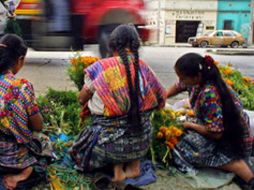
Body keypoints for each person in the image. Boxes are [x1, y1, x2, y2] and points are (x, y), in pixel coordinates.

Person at [70, 24, 166, 182]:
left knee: (79, 148)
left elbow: (81, 99)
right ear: (136, 45)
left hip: (108, 149)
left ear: (112, 44)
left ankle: (117, 170)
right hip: (142, 144)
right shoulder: (144, 67)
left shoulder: (101, 68)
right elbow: (162, 99)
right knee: (133, 124)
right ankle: (134, 167)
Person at [167, 53, 254, 188]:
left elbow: (216, 133)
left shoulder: (210, 93)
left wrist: (189, 125)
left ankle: (237, 167)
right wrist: (163, 97)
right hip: (225, 131)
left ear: (197, 76)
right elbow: (179, 86)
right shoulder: (201, 79)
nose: (180, 80)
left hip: (232, 141)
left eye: (183, 77)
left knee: (184, 148)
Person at [0, 34, 54, 190]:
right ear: (20, 59)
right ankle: (21, 176)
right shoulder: (21, 87)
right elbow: (38, 126)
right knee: (44, 143)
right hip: (13, 160)